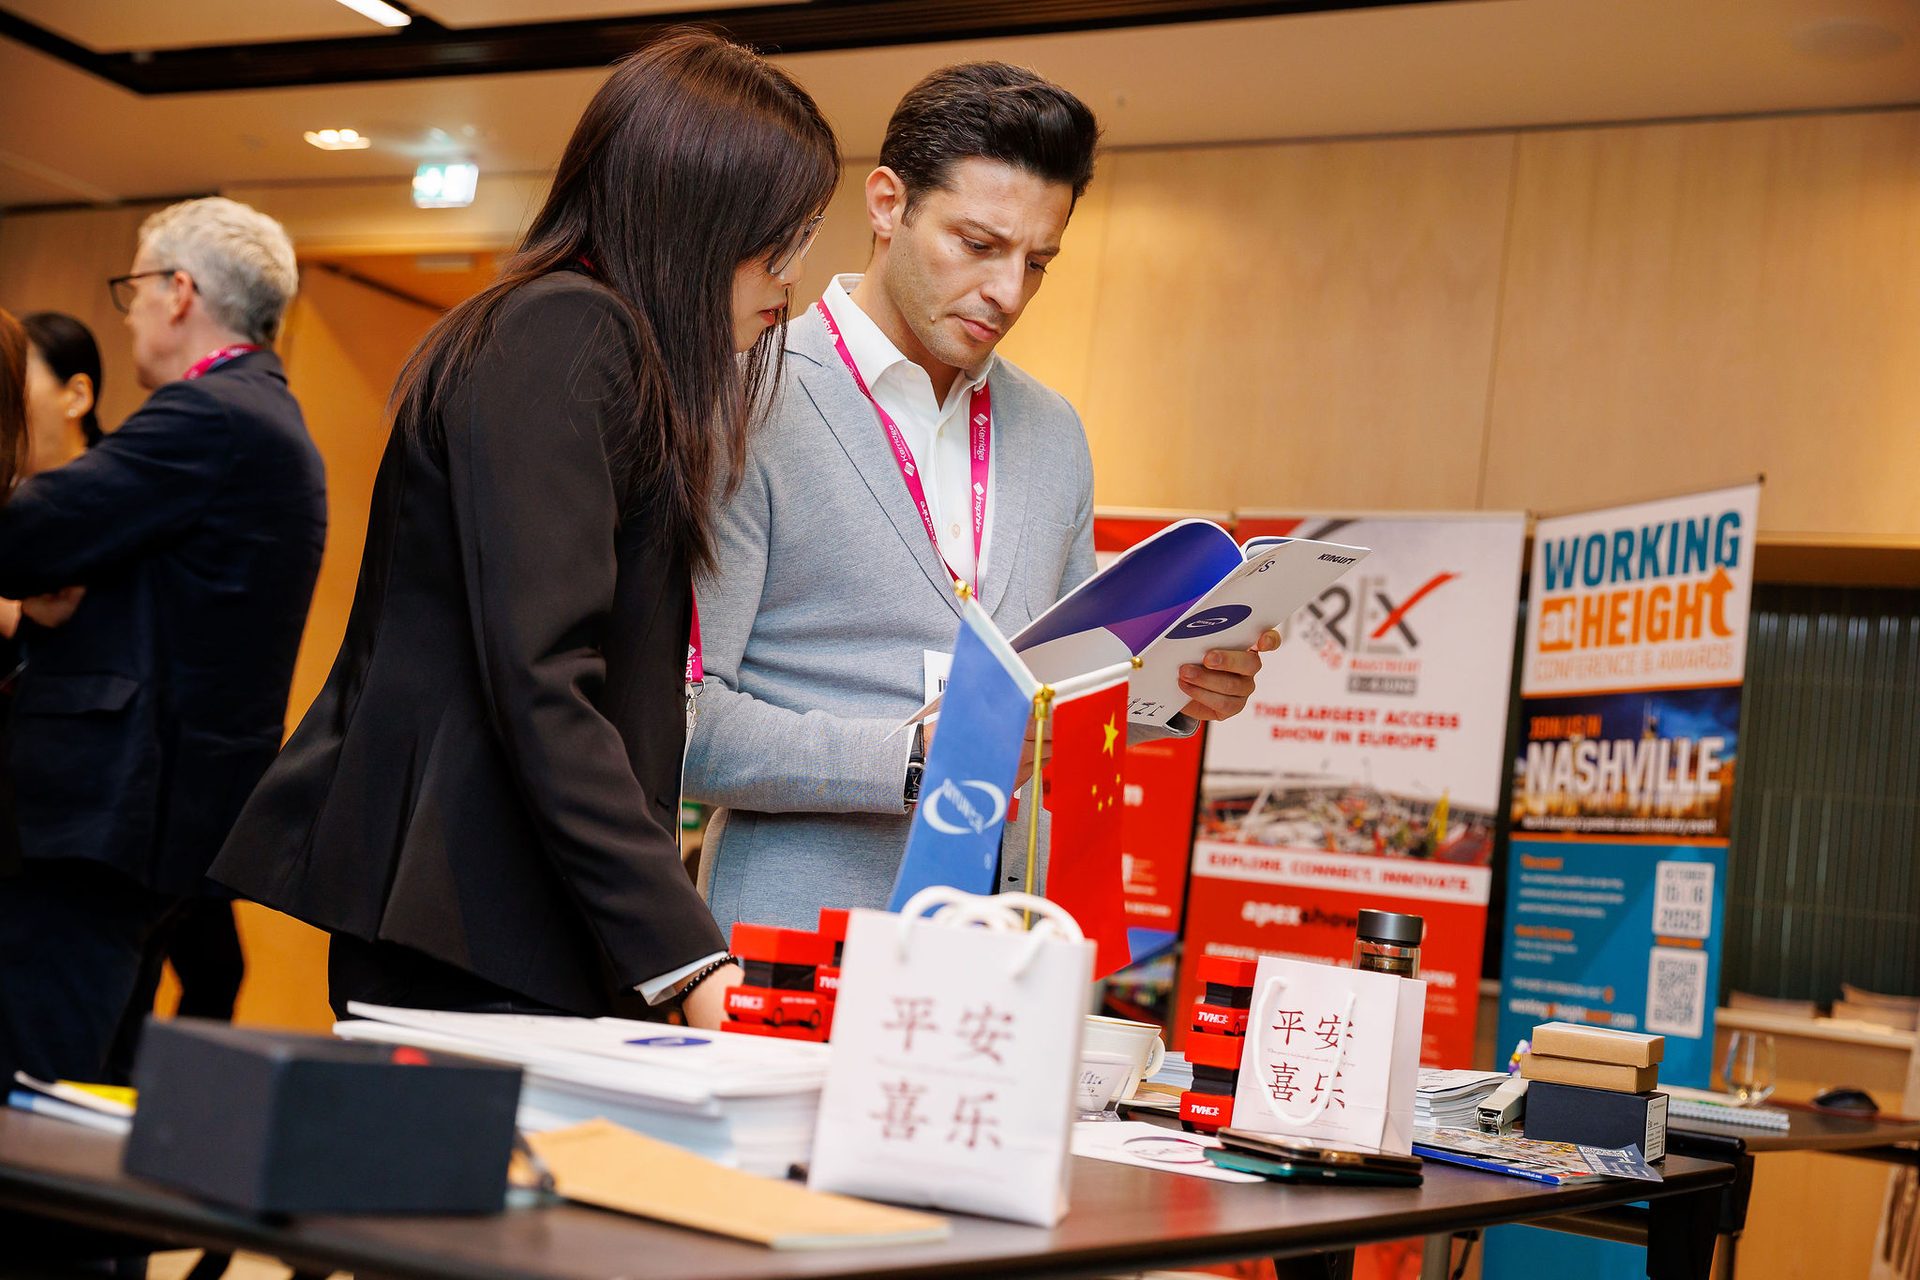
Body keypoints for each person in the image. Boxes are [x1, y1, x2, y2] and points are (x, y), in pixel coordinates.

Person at [211, 31, 840, 1029]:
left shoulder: (589, 343)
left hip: (506, 912)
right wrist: (684, 954)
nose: (789, 281)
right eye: (783, 240)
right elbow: (541, 676)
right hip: (471, 912)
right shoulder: (566, 333)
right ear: (698, 220)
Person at [686, 62, 1280, 934]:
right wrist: (917, 756)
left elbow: (1061, 700)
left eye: (1037, 261)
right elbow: (683, 723)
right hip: (795, 940)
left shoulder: (1052, 431)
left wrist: (1179, 692)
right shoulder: (744, 400)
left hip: (1005, 943)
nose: (1009, 292)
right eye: (978, 245)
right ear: (887, 204)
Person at [0, 198, 327, 1085]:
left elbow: (22, 534)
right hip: (155, 820)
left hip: (105, 815)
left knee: (37, 1097)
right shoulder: (264, 415)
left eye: (135, 287)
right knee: (86, 1078)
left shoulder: (208, 418)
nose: (131, 308)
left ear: (179, 292)